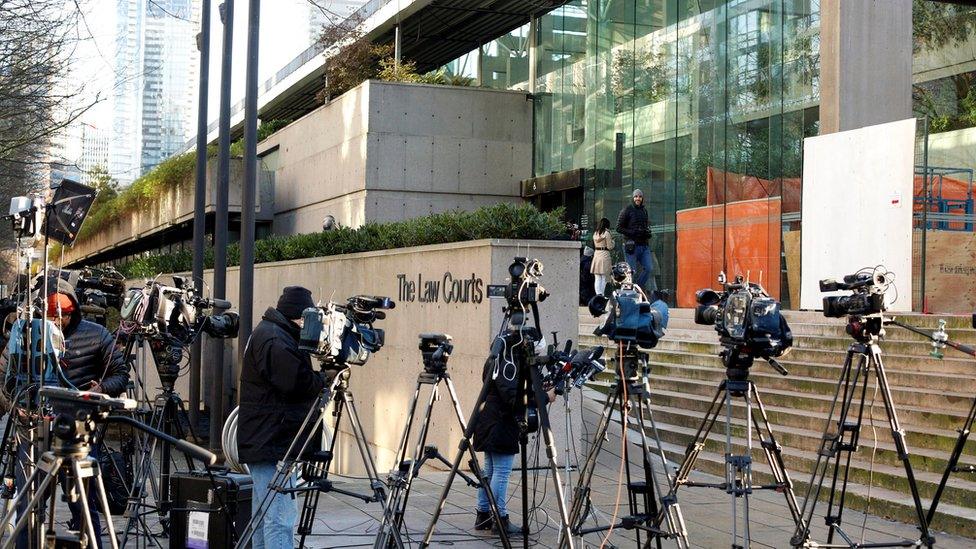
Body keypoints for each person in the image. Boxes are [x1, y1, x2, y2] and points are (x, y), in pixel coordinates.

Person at [1, 279, 129, 549]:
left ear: (73, 312)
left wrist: (100, 389)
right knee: (28, 504)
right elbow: (4, 377)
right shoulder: (25, 333)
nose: (58, 322)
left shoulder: (96, 335)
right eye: (51, 316)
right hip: (33, 429)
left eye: (64, 315)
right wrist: (14, 402)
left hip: (78, 430)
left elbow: (120, 375)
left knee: (83, 502)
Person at [238, 286, 325, 549]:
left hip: (268, 439)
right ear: (298, 316)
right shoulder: (276, 340)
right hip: (273, 442)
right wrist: (324, 379)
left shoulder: (273, 333)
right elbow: (297, 382)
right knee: (280, 519)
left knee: (264, 515)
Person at [617, 189, 655, 291]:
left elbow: (646, 226)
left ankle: (637, 288)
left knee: (649, 268)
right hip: (631, 246)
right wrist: (633, 232)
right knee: (631, 272)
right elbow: (618, 228)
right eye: (636, 196)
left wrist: (647, 232)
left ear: (642, 198)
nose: (638, 198)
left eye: (640, 196)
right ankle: (627, 293)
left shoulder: (644, 211)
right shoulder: (627, 210)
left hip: (644, 245)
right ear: (633, 198)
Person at [591, 218, 614, 296]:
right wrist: (613, 242)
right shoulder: (607, 233)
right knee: (604, 277)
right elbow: (610, 246)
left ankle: (598, 295)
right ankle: (602, 295)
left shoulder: (595, 233)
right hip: (604, 255)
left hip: (597, 254)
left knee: (597, 277)